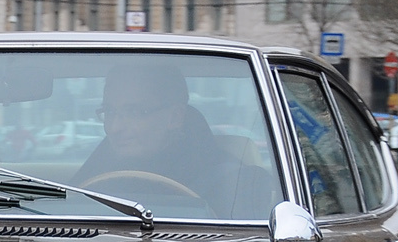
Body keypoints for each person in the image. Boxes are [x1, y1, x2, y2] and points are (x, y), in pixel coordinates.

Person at [74, 61, 267, 218]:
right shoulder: (99, 165)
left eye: (134, 112)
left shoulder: (230, 183)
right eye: (109, 111)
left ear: (174, 117)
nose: (114, 127)